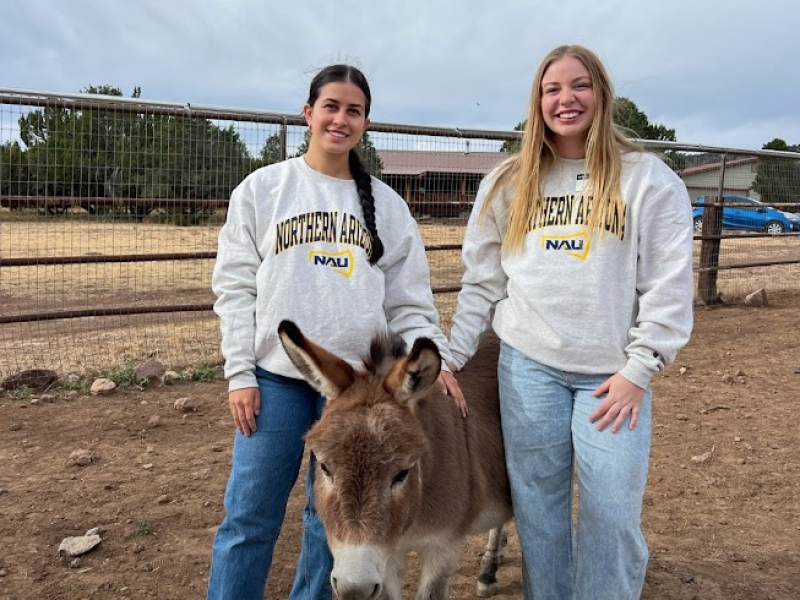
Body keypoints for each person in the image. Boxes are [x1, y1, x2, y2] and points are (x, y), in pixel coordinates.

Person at [207, 64, 465, 600]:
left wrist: (435, 358)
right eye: (331, 106)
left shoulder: (388, 208)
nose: (340, 119)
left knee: (331, 523)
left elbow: (409, 301)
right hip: (277, 379)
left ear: (365, 123)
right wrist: (239, 374)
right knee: (249, 516)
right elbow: (235, 289)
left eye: (354, 111)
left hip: (360, 393)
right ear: (308, 113)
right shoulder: (263, 190)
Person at [448, 45, 694, 600]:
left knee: (610, 514)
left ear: (601, 94)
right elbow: (482, 283)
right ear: (537, 102)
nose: (566, 99)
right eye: (552, 88)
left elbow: (668, 284)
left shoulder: (647, 181)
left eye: (579, 85)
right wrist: (451, 354)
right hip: (528, 370)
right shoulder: (508, 182)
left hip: (613, 379)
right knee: (539, 511)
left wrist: (642, 367)